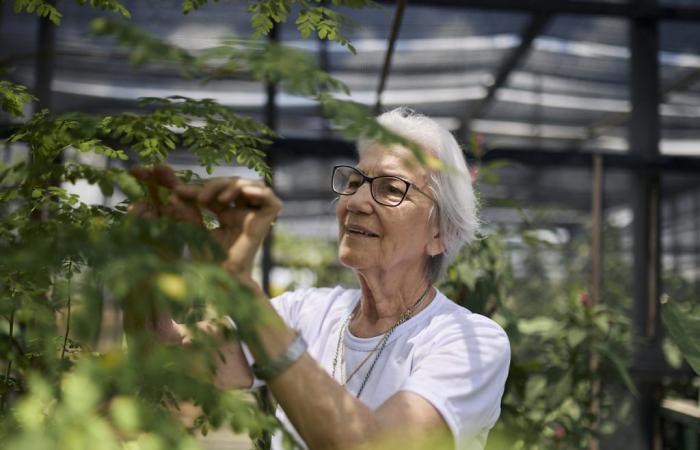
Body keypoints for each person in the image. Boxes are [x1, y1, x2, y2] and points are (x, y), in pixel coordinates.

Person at [128, 107, 510, 450]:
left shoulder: (470, 341)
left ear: (441, 234)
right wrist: (142, 271)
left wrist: (237, 288)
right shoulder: (306, 311)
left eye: (391, 188)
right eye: (355, 182)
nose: (357, 202)